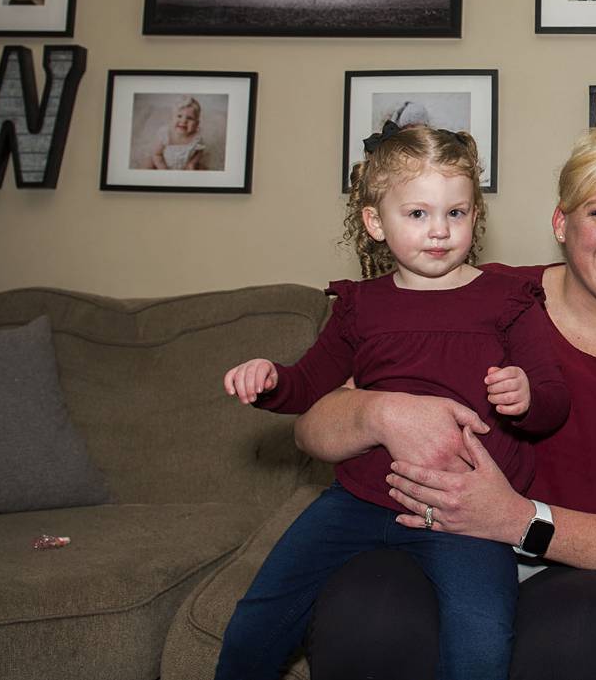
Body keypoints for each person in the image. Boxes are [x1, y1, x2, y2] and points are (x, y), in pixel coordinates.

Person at [288, 127, 596, 680]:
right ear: (562, 223)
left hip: (590, 574)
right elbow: (311, 428)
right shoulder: (481, 296)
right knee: (368, 610)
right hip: (434, 542)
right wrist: (379, 411)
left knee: (584, 632)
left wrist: (517, 519)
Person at [214, 125, 571, 680]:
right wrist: (269, 382)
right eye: (418, 214)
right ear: (376, 222)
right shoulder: (360, 306)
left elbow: (553, 401)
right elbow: (307, 386)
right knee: (257, 621)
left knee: (482, 641)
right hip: (355, 502)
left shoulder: (509, 302)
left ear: (476, 217)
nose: (440, 231)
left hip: (464, 513)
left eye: (457, 213)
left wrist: (525, 397)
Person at [149, 96, 206, 170]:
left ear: (197, 124)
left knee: (202, 170)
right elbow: (157, 154)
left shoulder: (196, 137)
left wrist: (192, 162)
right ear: (172, 118)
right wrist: (163, 169)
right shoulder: (166, 135)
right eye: (179, 116)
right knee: (148, 164)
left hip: (185, 165)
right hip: (163, 162)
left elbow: (200, 151)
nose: (184, 121)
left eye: (190, 118)